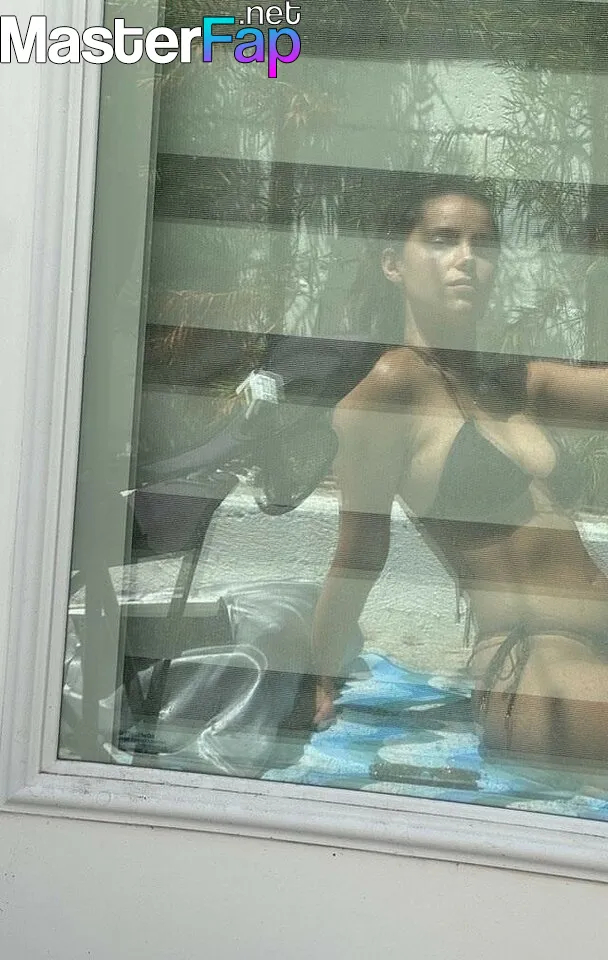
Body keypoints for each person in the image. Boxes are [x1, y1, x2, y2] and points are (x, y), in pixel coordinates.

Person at [312, 174, 608, 761]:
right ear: (393, 264)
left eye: (484, 244)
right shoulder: (391, 390)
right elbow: (359, 555)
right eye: (443, 240)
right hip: (538, 656)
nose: (467, 259)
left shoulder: (511, 380)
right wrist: (315, 675)